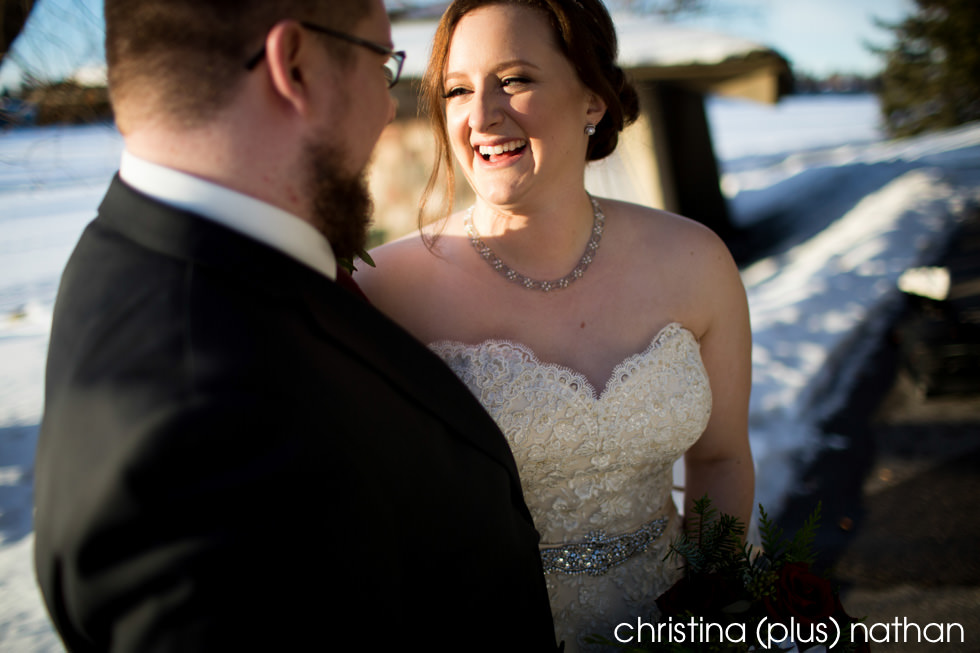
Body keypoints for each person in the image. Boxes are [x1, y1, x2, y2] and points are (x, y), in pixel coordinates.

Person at [33, 1, 559, 651]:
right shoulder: (202, 442)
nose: (391, 108)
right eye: (381, 64)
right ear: (296, 67)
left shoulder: (128, 255)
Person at [355, 0, 755, 650]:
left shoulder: (694, 260)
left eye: (514, 79)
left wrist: (712, 605)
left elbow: (721, 456)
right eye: (458, 89)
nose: (481, 116)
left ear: (592, 99)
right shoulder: (386, 289)